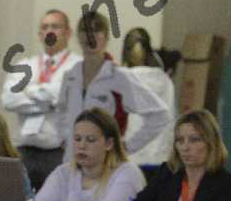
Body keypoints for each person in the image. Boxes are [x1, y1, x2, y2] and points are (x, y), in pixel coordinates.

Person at [54, 11, 170, 163]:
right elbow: (60, 110)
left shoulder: (119, 77)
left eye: (97, 30)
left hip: (106, 166)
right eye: (85, 30)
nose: (91, 36)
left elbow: (160, 114)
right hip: (72, 163)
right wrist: (64, 138)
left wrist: (127, 146)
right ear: (78, 37)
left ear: (106, 37)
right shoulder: (70, 76)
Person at [0, 9, 81, 189]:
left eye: (55, 27)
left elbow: (63, 95)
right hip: (24, 151)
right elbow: (8, 99)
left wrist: (28, 90)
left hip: (59, 152)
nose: (49, 31)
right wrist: (49, 103)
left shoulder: (78, 65)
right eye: (45, 27)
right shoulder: (25, 65)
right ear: (39, 34)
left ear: (68, 33)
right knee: (18, 200)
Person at [135, 109, 231, 201]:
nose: (185, 147)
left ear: (211, 143)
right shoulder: (167, 173)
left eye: (194, 140)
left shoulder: (228, 184)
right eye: (180, 140)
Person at [30, 108, 146, 201]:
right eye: (77, 139)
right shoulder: (63, 172)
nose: (82, 146)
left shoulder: (128, 171)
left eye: (90, 140)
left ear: (109, 144)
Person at [121, 27, 177, 166]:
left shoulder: (121, 81)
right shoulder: (165, 81)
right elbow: (172, 119)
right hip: (161, 158)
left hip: (131, 159)